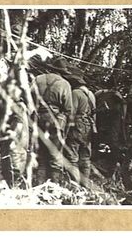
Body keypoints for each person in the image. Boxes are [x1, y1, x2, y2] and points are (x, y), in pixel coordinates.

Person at [32, 57, 75, 185]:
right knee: (55, 155)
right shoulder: (64, 84)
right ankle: (53, 187)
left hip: (38, 118)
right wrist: (68, 129)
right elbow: (69, 109)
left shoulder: (38, 79)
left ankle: (39, 185)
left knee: (41, 154)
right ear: (62, 71)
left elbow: (28, 97)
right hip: (56, 121)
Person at [65, 69, 97, 188]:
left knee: (72, 156)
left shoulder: (75, 93)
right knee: (85, 157)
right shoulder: (91, 95)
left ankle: (74, 185)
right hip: (89, 125)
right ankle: (85, 184)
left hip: (77, 126)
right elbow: (94, 114)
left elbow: (72, 113)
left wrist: (67, 129)